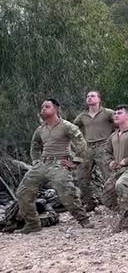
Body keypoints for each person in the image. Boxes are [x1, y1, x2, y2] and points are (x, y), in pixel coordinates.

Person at [15, 99, 94, 233]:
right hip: (43, 164)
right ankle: (33, 224)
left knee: (66, 193)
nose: (43, 109)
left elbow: (81, 143)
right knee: (23, 193)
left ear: (56, 109)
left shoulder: (67, 126)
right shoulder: (40, 129)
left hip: (60, 163)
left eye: (47, 106)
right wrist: (35, 162)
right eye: (42, 107)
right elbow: (34, 146)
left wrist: (75, 162)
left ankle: (83, 220)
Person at [74, 90, 114, 212]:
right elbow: (73, 128)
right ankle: (90, 202)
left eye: (92, 96)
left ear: (99, 99)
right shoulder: (82, 116)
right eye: (88, 96)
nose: (90, 98)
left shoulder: (108, 113)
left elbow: (122, 123)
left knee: (109, 175)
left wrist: (114, 139)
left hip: (104, 146)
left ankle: (114, 202)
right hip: (88, 148)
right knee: (81, 176)